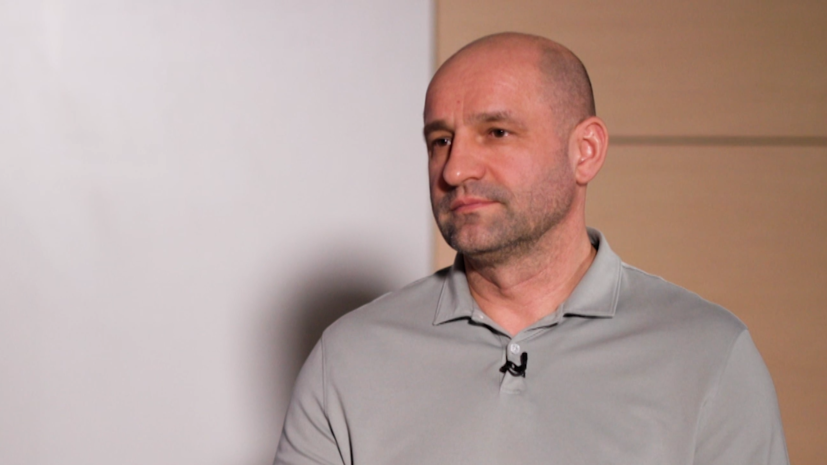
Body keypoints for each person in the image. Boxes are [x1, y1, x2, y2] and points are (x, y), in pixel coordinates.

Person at [274, 32, 788, 465]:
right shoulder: (348, 359)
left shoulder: (709, 355)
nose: (455, 169)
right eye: (440, 140)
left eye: (496, 132)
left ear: (585, 152)